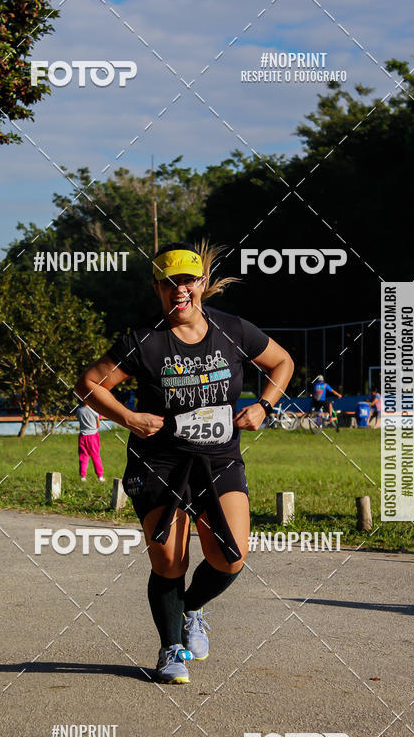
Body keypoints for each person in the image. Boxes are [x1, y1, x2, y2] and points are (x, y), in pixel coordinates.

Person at [74, 241, 294, 684]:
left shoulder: (232, 330)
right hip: (160, 463)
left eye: (188, 281)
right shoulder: (143, 341)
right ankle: (171, 646)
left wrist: (264, 406)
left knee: (231, 556)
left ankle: (191, 609)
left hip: (218, 461)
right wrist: (128, 417)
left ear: (202, 284)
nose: (180, 290)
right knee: (170, 561)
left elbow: (282, 362)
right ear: (157, 288)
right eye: (169, 283)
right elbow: (89, 384)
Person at [76, 402, 104, 482]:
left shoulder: (79, 410)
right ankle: (100, 476)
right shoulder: (95, 410)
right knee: (95, 456)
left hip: (82, 436)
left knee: (83, 456)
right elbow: (98, 425)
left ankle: (83, 476)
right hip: (93, 436)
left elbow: (79, 420)